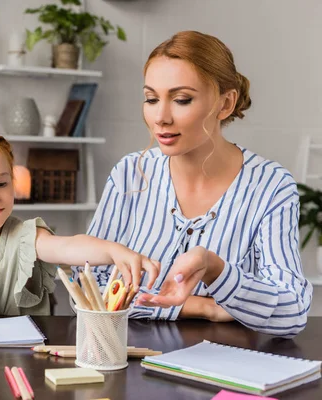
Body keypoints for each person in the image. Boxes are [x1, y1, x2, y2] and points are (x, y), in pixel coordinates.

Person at [77, 31, 312, 337]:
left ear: (225, 103)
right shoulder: (130, 173)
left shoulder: (271, 186)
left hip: (229, 370)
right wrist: (205, 307)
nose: (160, 117)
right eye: (151, 99)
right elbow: (88, 289)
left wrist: (216, 269)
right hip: (130, 367)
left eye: (182, 99)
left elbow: (291, 312)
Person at [0, 131, 160, 342]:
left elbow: (69, 246)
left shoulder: (26, 236)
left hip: (20, 358)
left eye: (2, 183)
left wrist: (115, 251)